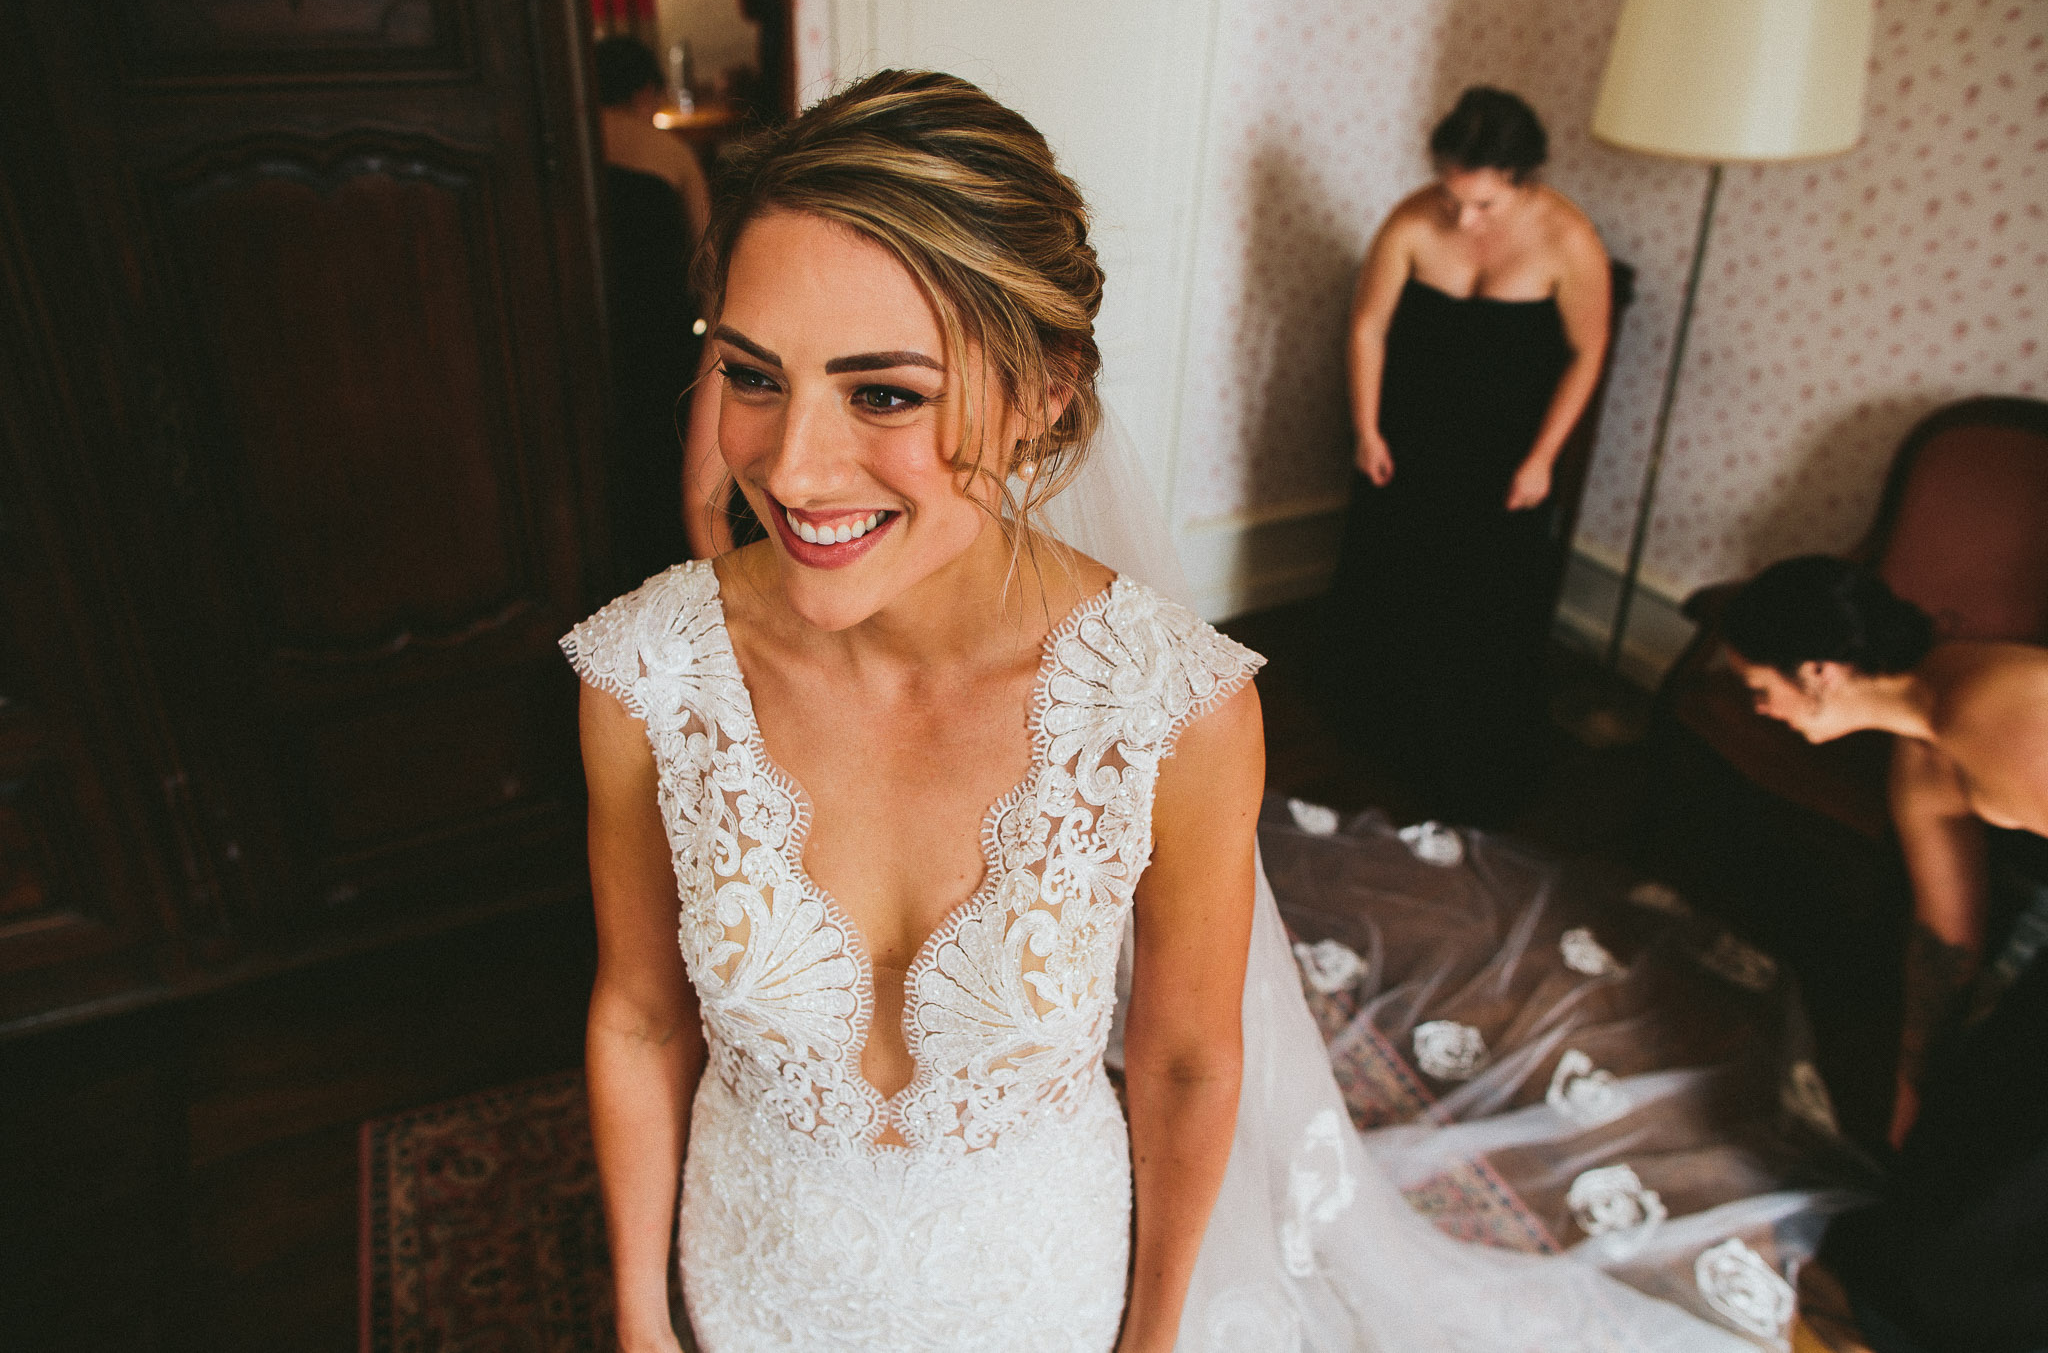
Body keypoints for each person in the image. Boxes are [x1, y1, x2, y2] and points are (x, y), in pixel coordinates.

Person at [567, 70, 1846, 1353]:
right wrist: (638, 1317)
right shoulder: (646, 673)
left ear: (1044, 389)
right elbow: (635, 1013)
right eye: (751, 374)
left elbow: (1183, 1061)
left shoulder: (1167, 708)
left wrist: (1150, 1335)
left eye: (885, 392)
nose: (790, 467)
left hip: (1036, 1286)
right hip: (754, 1270)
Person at [1722, 554, 2048, 1351]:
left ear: (1821, 671)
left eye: (1762, 687)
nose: (1762, 709)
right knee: (1958, 1127)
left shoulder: (1996, 710)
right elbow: (1945, 944)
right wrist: (1913, 1089)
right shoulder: (1924, 753)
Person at [1327, 86, 1611, 821]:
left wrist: (1545, 456)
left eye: (1483, 204)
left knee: (1485, 606)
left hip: (1505, 453)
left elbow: (1587, 353)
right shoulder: (1412, 220)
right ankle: (1381, 732)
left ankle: (1466, 758)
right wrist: (1367, 428)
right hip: (1410, 437)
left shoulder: (1569, 239)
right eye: (1453, 196)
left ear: (1524, 178)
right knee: (1395, 580)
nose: (1462, 217)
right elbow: (1369, 328)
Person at [594, 36, 716, 588]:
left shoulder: (570, 145)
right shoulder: (667, 153)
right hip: (661, 333)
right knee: (662, 456)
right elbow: (707, 255)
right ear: (646, 89)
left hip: (586, 329)